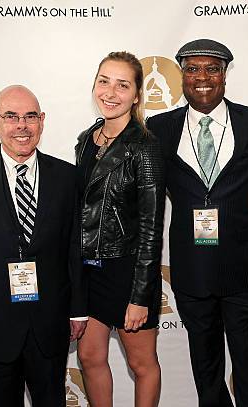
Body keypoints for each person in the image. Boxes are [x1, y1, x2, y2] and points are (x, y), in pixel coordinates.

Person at [147, 38, 248, 407]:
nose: (201, 77)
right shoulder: (159, 128)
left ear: (224, 75)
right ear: (181, 77)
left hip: (242, 267)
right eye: (192, 69)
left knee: (246, 357)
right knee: (204, 363)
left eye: (212, 68)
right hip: (191, 270)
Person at [0, 85, 87, 406]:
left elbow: (74, 250)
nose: (22, 125)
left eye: (30, 116)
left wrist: (78, 309)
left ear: (42, 121)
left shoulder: (67, 176)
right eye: (11, 116)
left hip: (50, 322)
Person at [75, 51, 165, 407]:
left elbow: (151, 227)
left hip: (127, 271)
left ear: (137, 95)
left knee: (142, 364)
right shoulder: (86, 139)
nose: (110, 92)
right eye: (104, 81)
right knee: (89, 357)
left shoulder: (145, 147)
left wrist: (140, 295)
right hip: (88, 271)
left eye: (122, 85)